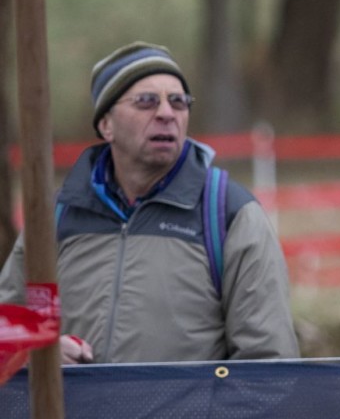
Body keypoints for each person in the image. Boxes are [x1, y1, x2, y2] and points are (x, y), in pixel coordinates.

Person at [0, 42, 298, 363]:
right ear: (106, 125)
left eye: (179, 102)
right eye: (146, 102)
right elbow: (7, 335)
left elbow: (268, 364)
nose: (167, 114)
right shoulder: (57, 215)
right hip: (78, 415)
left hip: (191, 416)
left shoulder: (229, 214)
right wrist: (40, 354)